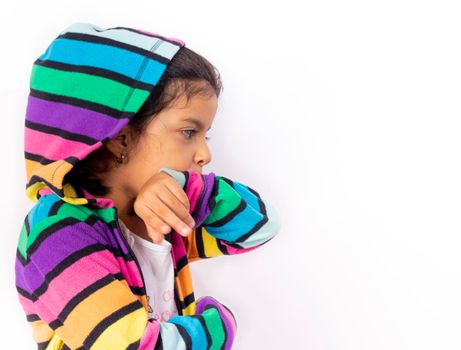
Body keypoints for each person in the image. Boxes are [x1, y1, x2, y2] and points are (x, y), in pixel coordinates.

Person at [15, 22, 281, 349]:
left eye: (205, 135)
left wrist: (192, 192)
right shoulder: (56, 232)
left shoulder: (163, 217)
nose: (205, 154)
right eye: (188, 132)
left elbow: (258, 227)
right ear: (120, 137)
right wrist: (221, 323)